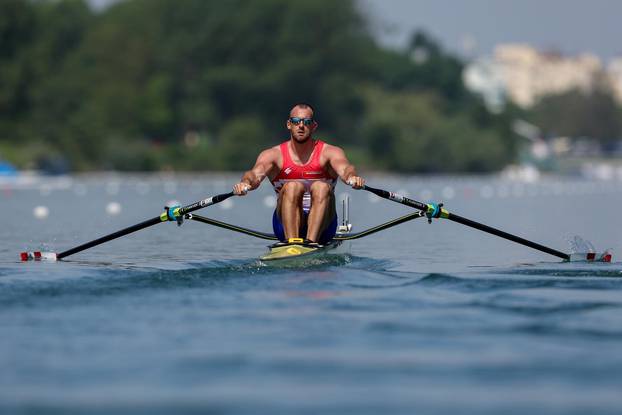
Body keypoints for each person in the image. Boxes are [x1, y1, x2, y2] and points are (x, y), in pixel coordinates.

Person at [232, 103, 365, 246]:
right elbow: (254, 174)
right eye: (296, 121)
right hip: (284, 226)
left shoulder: (330, 152)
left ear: (313, 126)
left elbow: (345, 169)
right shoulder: (273, 155)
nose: (301, 126)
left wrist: (352, 177)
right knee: (292, 186)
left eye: (306, 122)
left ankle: (311, 242)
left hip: (325, 227)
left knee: (321, 187)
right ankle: (292, 244)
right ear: (289, 124)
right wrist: (246, 183)